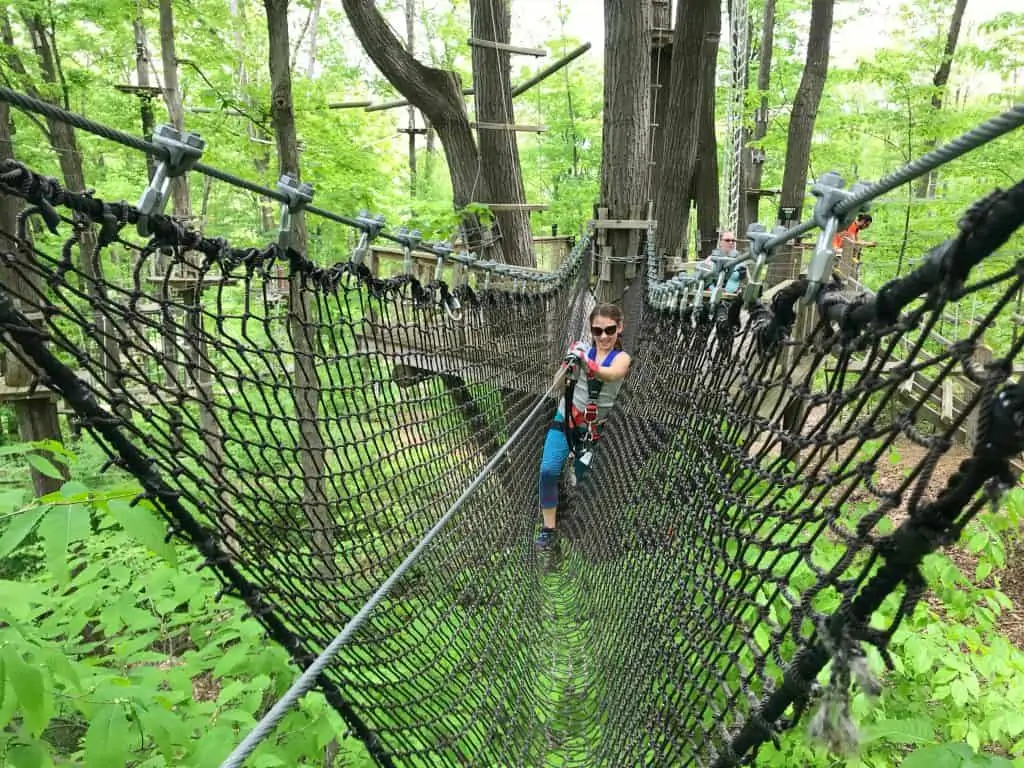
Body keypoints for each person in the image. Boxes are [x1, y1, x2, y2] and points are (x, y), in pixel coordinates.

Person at [536, 303, 631, 549]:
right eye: (597, 331)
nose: (604, 336)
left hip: (592, 432)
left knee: (584, 482)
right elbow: (556, 387)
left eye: (610, 330)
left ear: (619, 328)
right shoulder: (583, 353)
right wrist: (568, 362)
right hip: (566, 420)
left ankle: (578, 523)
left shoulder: (621, 358)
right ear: (591, 330)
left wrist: (586, 363)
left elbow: (610, 375)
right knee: (548, 471)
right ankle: (548, 529)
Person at [833, 213, 876, 279]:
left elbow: (857, 240)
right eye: (867, 225)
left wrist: (868, 244)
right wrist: (867, 244)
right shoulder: (851, 225)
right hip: (836, 248)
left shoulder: (856, 228)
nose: (866, 227)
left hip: (840, 249)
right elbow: (853, 242)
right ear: (862, 221)